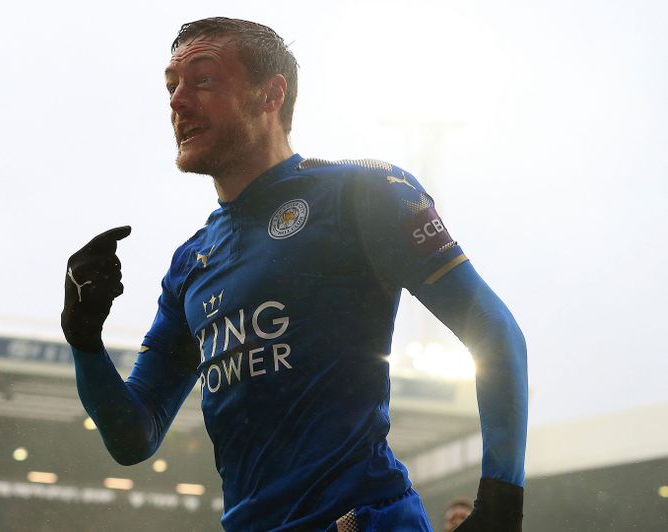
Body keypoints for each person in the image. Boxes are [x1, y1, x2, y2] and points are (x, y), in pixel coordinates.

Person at [61, 17, 527, 532]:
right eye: (171, 87)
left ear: (271, 94)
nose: (178, 101)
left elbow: (492, 328)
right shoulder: (190, 263)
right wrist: (84, 339)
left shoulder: (363, 194)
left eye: (204, 80)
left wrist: (501, 500)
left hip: (362, 520)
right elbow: (134, 435)